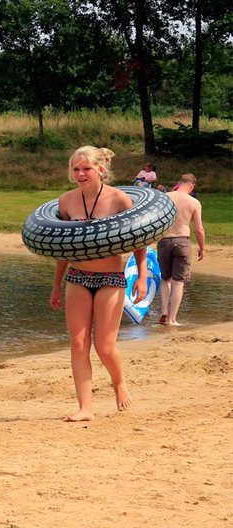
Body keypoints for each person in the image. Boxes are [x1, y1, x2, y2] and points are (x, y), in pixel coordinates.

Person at [50, 146, 147, 422]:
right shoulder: (66, 201)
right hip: (78, 276)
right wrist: (56, 285)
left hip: (110, 278)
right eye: (76, 169)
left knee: (104, 346)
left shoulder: (119, 199)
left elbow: (138, 240)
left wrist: (141, 276)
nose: (80, 174)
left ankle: (118, 382)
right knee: (78, 343)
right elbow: (62, 248)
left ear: (100, 170)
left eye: (86, 169)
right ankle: (85, 408)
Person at [157, 174, 206, 327]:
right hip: (182, 241)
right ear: (192, 186)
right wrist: (202, 248)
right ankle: (172, 319)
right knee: (178, 282)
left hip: (164, 241)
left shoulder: (164, 197)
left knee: (165, 279)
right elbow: (199, 229)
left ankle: (164, 311)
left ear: (178, 183)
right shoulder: (194, 202)